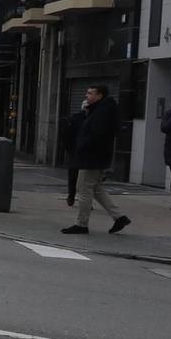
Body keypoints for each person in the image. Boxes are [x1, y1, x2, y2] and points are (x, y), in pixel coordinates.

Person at [62, 84, 130, 236]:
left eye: (90, 93)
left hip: (91, 157)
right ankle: (119, 217)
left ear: (99, 96)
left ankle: (81, 224)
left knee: (83, 189)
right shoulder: (101, 110)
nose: (86, 95)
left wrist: (82, 146)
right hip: (96, 156)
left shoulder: (102, 112)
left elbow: (97, 135)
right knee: (97, 189)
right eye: (86, 92)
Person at [61, 96, 88, 206]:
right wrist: (69, 148)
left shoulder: (94, 119)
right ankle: (72, 195)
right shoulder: (75, 118)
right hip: (76, 151)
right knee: (75, 176)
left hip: (83, 152)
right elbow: (66, 134)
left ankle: (82, 198)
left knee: (83, 177)